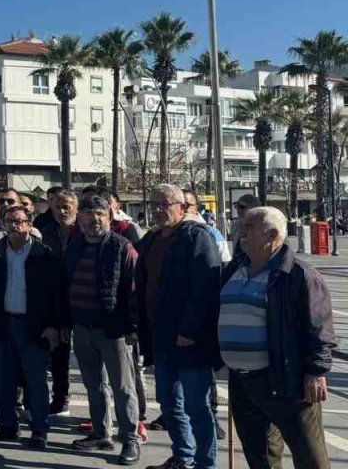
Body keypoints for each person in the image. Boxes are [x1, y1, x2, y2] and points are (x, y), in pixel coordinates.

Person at [224, 206, 335, 469]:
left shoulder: (298, 274)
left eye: (250, 226)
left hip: (286, 379)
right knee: (259, 454)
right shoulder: (235, 269)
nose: (242, 230)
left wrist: (316, 371)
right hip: (242, 379)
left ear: (272, 234)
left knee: (308, 454)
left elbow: (319, 326)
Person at [134, 184, 222, 469]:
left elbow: (206, 288)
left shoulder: (197, 238)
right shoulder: (151, 239)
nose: (159, 209)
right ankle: (183, 456)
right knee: (170, 404)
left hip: (190, 339)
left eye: (166, 204)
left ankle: (205, 462)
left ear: (182, 208)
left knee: (198, 406)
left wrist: (190, 329)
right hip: (159, 337)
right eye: (155, 204)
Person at [0, 204, 65, 449]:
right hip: (3, 323)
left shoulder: (44, 255)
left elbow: (56, 295)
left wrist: (53, 326)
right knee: (4, 379)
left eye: (19, 221)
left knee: (35, 381)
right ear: (3, 225)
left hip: (34, 327)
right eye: (9, 221)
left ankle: (39, 429)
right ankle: (7, 426)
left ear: (29, 224)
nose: (14, 225)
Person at [65, 196, 142, 465]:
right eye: (87, 214)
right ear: (79, 218)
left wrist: (133, 327)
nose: (93, 219)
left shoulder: (123, 248)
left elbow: (134, 291)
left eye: (99, 214)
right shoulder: (74, 247)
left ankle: (130, 439)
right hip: (82, 328)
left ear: (109, 218)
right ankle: (101, 433)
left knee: (123, 388)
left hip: (114, 331)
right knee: (93, 385)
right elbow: (66, 287)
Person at [38, 189, 77, 416]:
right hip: (54, 299)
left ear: (75, 208)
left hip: (81, 300)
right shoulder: (45, 232)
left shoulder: (83, 233)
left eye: (67, 207)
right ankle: (60, 396)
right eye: (58, 207)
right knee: (58, 352)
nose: (62, 211)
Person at [184, 191, 230, 262]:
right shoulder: (166, 232)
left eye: (186, 205)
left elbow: (225, 262)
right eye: (179, 205)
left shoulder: (212, 233)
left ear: (196, 207)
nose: (182, 209)